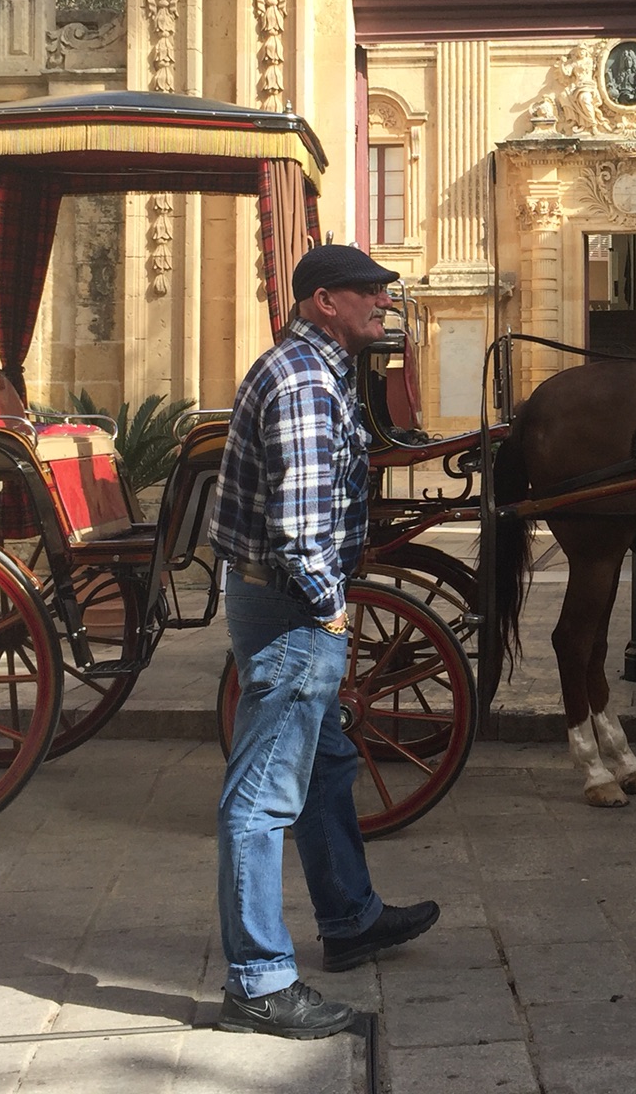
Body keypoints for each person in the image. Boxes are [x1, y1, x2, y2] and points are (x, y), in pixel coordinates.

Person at [209, 243, 440, 1040]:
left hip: (278, 599)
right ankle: (260, 981)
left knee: (327, 762)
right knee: (262, 795)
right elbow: (301, 526)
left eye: (381, 290)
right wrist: (331, 611)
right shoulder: (306, 382)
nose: (381, 300)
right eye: (365, 291)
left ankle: (348, 919)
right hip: (291, 609)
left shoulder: (318, 367)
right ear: (322, 302)